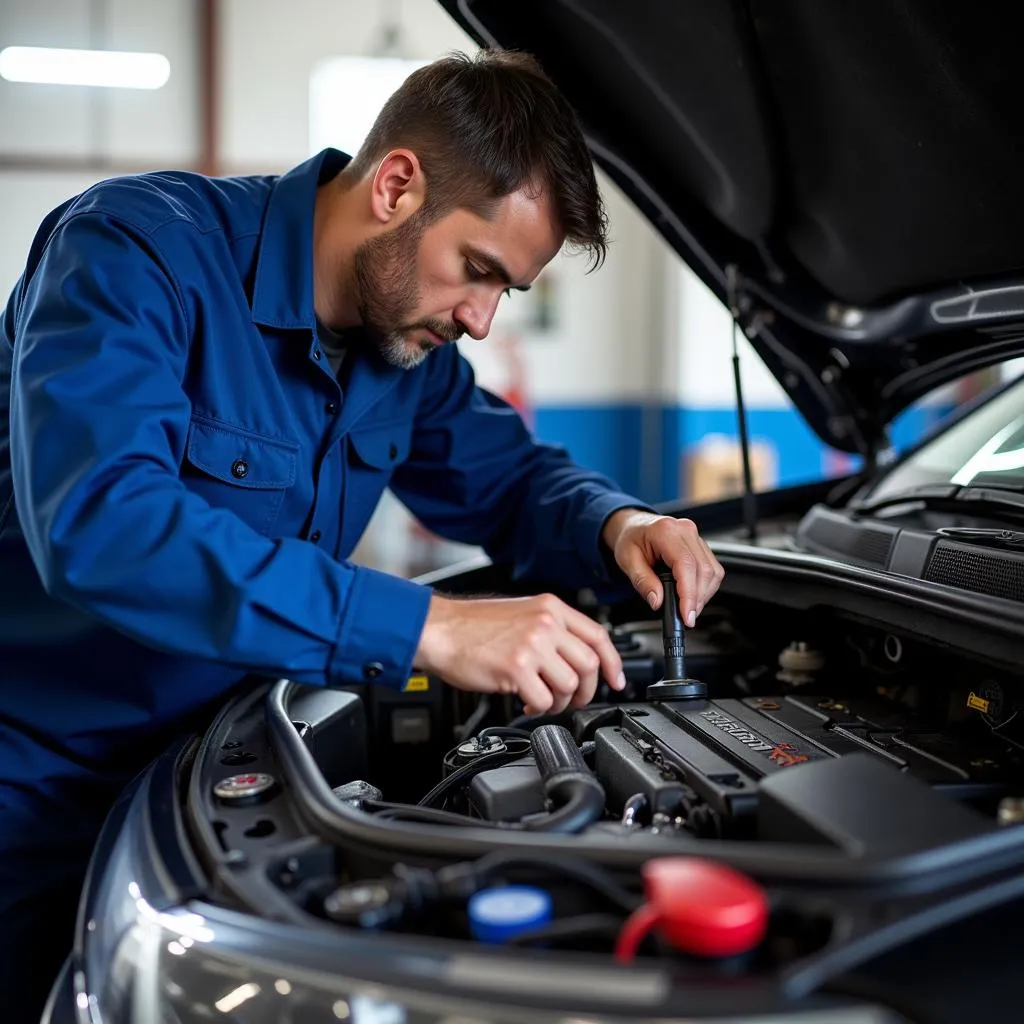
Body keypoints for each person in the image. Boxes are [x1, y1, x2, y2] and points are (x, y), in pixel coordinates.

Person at [0, 49, 723, 1017]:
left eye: (504, 290)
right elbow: (104, 523)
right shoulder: (134, 251)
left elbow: (508, 478)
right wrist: (425, 626)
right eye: (477, 271)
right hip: (32, 786)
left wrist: (618, 522)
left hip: (211, 771)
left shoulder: (402, 354)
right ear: (395, 185)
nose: (478, 317)